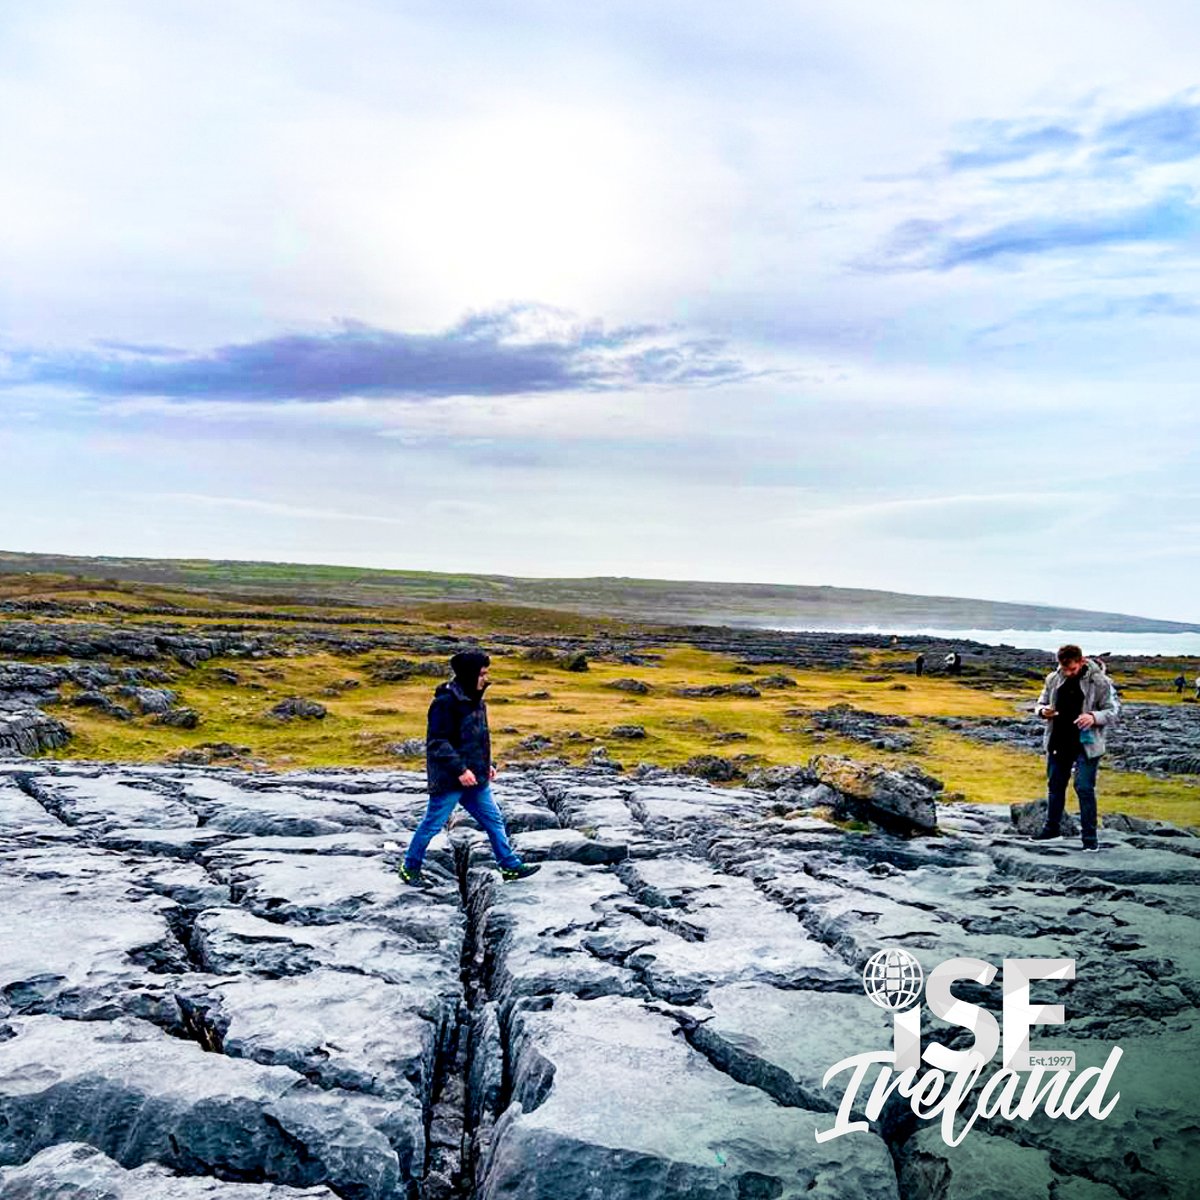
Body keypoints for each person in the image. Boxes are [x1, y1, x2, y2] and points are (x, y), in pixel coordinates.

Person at [398, 650, 540, 885]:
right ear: (468, 674)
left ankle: (510, 866)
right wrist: (460, 770)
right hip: (450, 779)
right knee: (432, 824)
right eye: (482, 673)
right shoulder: (445, 703)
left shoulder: (476, 700)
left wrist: (488, 765)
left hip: (477, 780)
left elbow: (479, 738)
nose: (485, 678)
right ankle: (409, 868)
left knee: (494, 821)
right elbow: (437, 742)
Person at [1032, 644, 1120, 852]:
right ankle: (1051, 830)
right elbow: (1040, 702)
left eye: (1072, 669)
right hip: (1058, 740)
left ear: (1081, 661)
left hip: (1086, 743)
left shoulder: (1100, 682)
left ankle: (1090, 840)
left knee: (1083, 788)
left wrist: (1093, 717)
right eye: (1064, 669)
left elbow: (1114, 710)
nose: (1068, 673)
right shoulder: (1053, 679)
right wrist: (1043, 711)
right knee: (1055, 786)